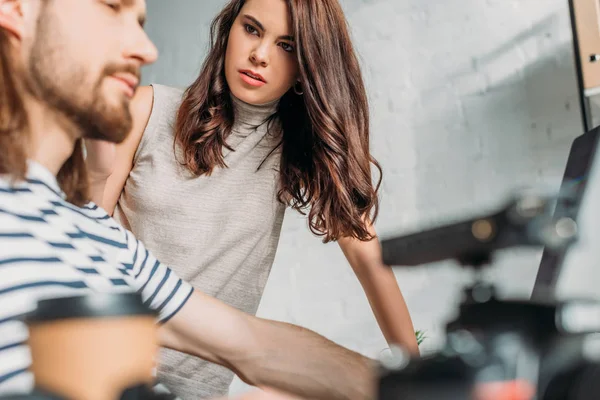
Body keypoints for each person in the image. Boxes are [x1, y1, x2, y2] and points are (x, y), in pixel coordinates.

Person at [0, 1, 375, 399]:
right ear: (13, 9)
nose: (147, 49)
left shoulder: (97, 239)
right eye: (111, 7)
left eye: (141, 22)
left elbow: (251, 344)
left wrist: (405, 381)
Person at [85, 0, 419, 396]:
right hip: (98, 372)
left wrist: (419, 375)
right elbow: (83, 247)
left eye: (287, 46)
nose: (259, 55)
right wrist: (94, 172)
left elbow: (370, 262)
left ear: (305, 69)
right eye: (252, 30)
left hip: (195, 391)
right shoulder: (145, 110)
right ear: (229, 30)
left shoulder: (302, 153)